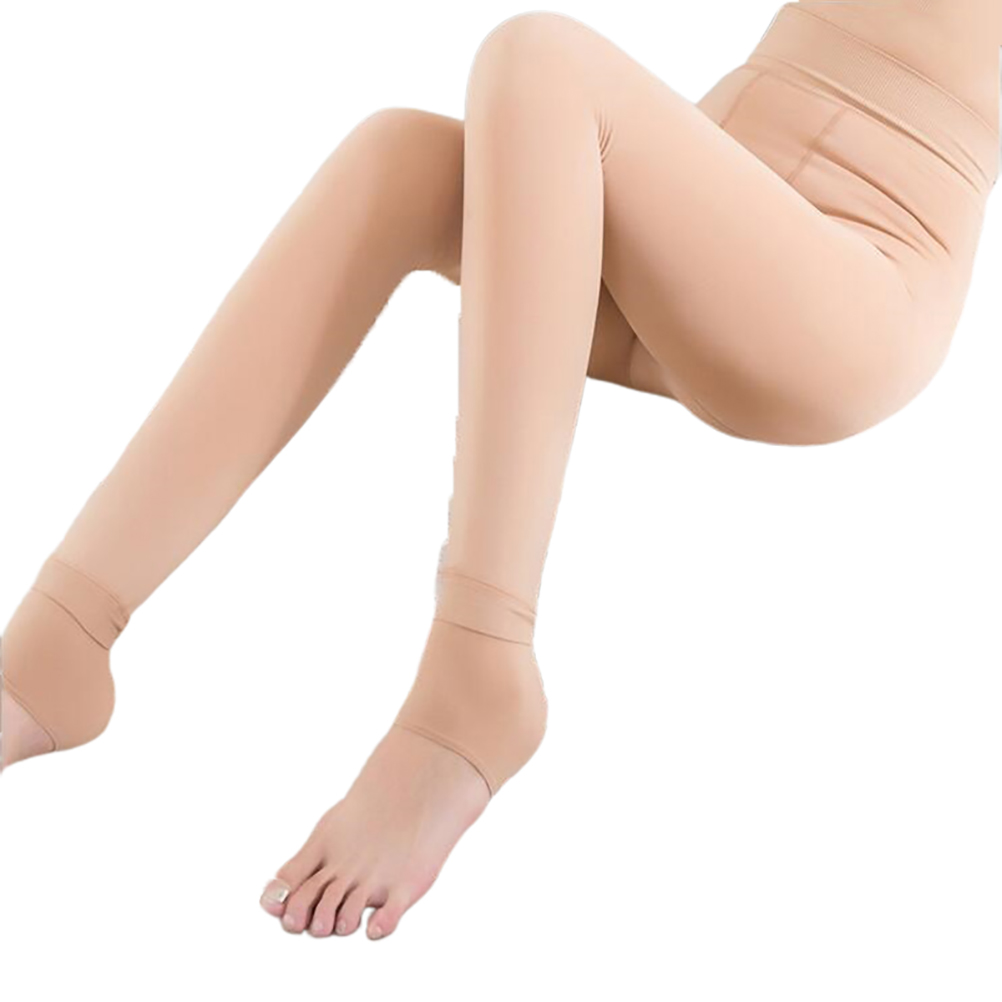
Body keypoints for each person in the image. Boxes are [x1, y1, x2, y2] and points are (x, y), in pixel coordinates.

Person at [1, 1, 998, 941]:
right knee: (396, 156)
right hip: (698, 227)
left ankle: (478, 668)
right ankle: (57, 645)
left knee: (540, 55)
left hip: (850, 294)